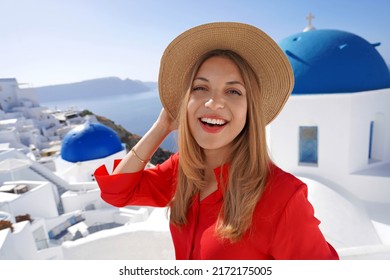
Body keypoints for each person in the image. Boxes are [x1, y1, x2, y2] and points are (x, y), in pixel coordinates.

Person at [94, 22, 339, 260]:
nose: (213, 103)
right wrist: (161, 127)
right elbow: (116, 192)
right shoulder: (182, 170)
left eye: (233, 91)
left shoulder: (282, 197)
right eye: (200, 88)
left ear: (249, 111)